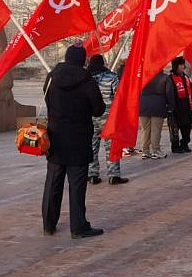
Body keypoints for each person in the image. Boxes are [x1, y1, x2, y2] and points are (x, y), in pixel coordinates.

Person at [42, 44, 106, 238]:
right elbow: (98, 110)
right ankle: (78, 227)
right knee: (77, 186)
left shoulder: (51, 78)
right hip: (78, 139)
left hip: (55, 137)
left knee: (53, 181)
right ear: (82, 60)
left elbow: (46, 101)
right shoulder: (87, 82)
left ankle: (48, 223)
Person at [86, 55, 128, 185]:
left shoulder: (85, 78)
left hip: (90, 117)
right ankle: (113, 175)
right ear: (103, 63)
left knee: (92, 147)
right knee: (111, 147)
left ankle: (92, 175)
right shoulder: (111, 77)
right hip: (108, 118)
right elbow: (119, 97)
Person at [138, 70, 174, 159]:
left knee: (145, 129)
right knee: (156, 129)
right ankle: (156, 150)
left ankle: (145, 151)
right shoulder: (165, 77)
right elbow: (169, 93)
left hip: (143, 104)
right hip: (158, 105)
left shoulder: (143, 75)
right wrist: (170, 106)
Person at [168, 57, 192, 154]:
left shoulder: (186, 77)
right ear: (175, 66)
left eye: (183, 64)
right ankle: (175, 147)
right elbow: (169, 94)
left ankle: (185, 144)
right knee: (175, 130)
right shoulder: (170, 79)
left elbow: (191, 92)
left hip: (186, 107)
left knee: (187, 128)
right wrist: (171, 107)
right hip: (176, 108)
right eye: (180, 65)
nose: (182, 67)